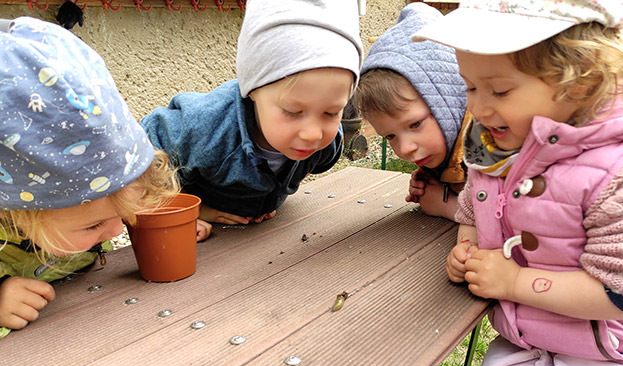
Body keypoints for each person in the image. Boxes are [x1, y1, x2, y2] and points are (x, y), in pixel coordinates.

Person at [413, 0, 623, 366]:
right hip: (526, 333)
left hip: (604, 346)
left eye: (500, 90)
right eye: (470, 87)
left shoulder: (612, 172)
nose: (479, 107)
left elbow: (615, 293)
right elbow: (473, 205)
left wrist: (512, 282)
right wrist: (467, 249)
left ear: (578, 81)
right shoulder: (494, 145)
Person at [0, 17, 210, 338]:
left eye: (123, 213)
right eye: (93, 225)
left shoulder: (81, 209)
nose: (118, 230)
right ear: (15, 212)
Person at [140, 0, 363, 226]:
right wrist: (181, 210)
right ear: (252, 90)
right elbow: (141, 146)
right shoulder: (207, 128)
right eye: (293, 111)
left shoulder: (328, 145)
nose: (313, 134)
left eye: (331, 113)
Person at [352, 2, 469, 221]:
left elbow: (518, 221)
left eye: (414, 124)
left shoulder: (492, 148)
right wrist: (437, 179)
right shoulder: (450, 148)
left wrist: (447, 206)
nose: (405, 148)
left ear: (451, 101)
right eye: (390, 136)